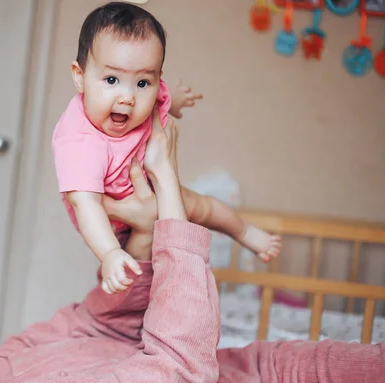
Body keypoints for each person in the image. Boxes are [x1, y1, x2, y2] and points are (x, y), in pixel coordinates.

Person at [0, 110, 385, 383]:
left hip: (261, 366)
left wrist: (136, 242)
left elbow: (94, 322)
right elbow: (177, 369)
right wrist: (171, 200)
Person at [52, 2, 281, 295]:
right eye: (111, 80)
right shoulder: (79, 139)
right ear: (79, 76)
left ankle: (243, 231)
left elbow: (163, 94)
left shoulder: (151, 91)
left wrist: (178, 101)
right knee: (136, 279)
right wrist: (109, 253)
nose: (128, 97)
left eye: (142, 82)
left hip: (154, 191)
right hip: (112, 219)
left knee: (205, 207)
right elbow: (85, 204)